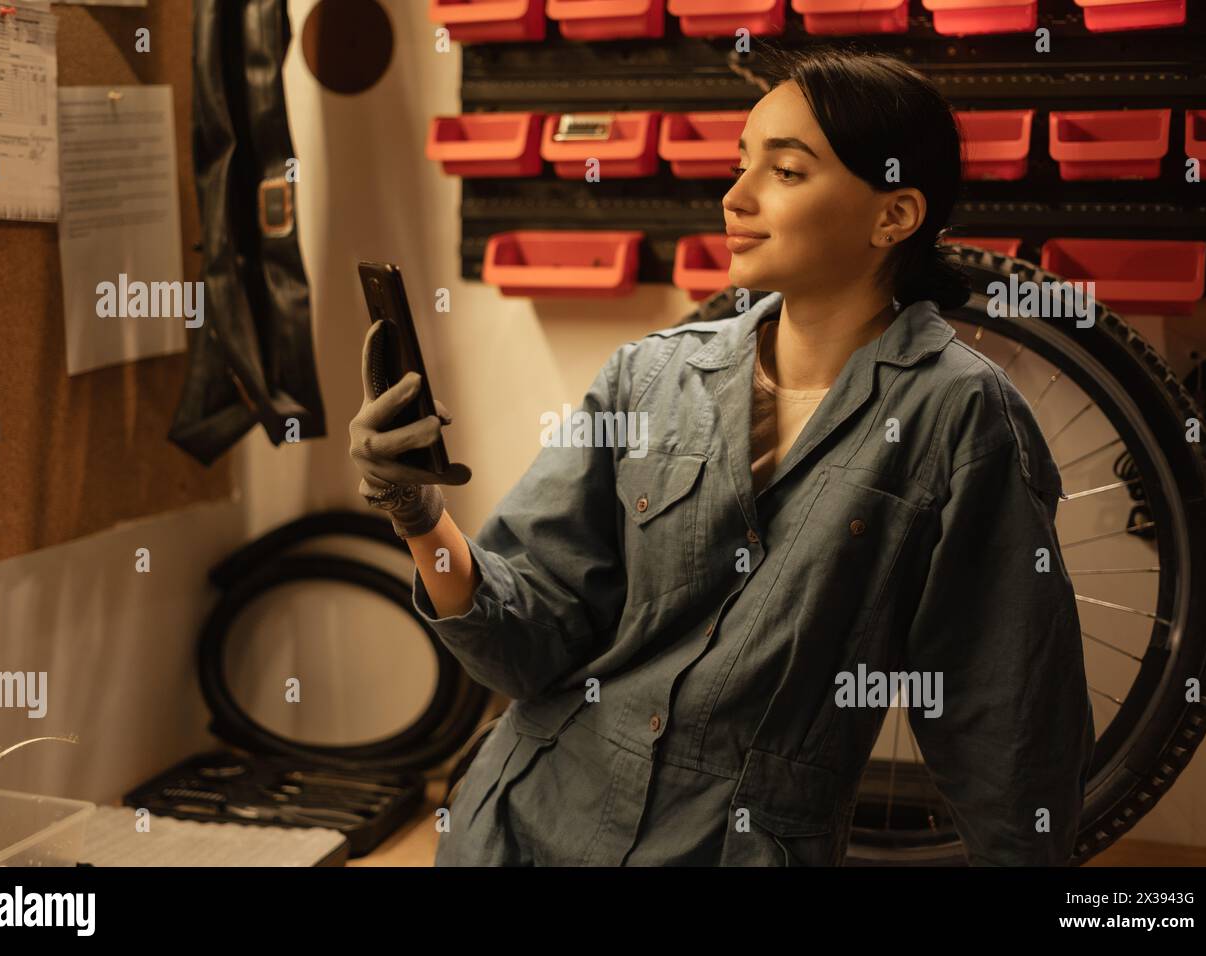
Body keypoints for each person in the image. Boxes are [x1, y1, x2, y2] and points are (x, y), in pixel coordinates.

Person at [348, 46, 1095, 866]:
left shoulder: (958, 417)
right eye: (742, 163)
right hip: (520, 825)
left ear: (894, 215)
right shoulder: (648, 377)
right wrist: (420, 516)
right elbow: (524, 646)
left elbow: (1008, 725)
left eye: (786, 170)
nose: (734, 197)